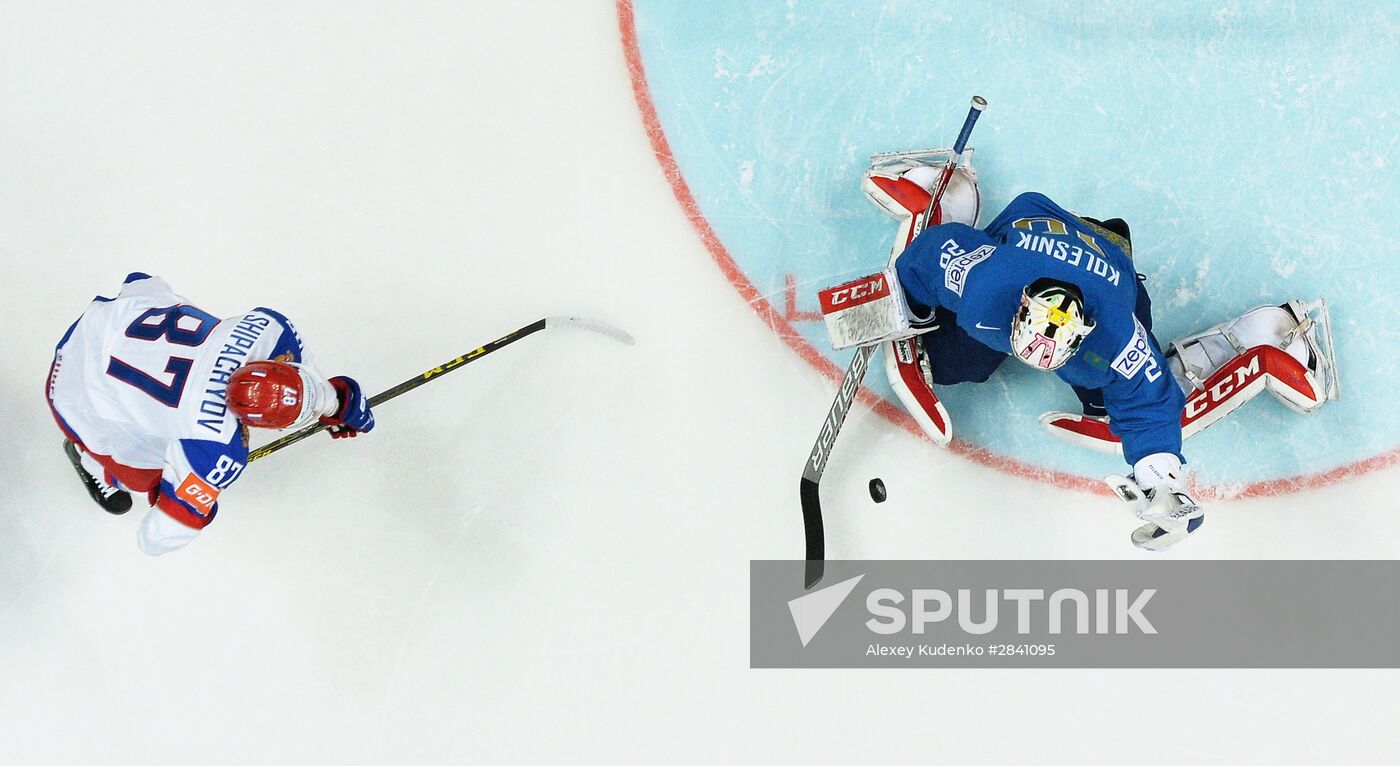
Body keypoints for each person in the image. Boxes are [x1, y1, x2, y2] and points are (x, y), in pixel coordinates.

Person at [826, 151, 1338, 550]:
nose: (1030, 362)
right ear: (1020, 308)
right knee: (955, 361)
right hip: (1033, 224)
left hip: (1112, 262)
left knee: (1109, 402)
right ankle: (956, 193)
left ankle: (1258, 334)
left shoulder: (1113, 335)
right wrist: (904, 304)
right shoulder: (988, 285)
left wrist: (1161, 479)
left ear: (1083, 333)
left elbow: (1151, 401)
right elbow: (929, 257)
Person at [47, 273, 376, 555]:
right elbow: (155, 539)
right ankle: (93, 462)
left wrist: (337, 402)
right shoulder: (215, 445)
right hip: (76, 383)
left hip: (115, 317)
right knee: (146, 473)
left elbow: (301, 376)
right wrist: (192, 500)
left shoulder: (271, 329)